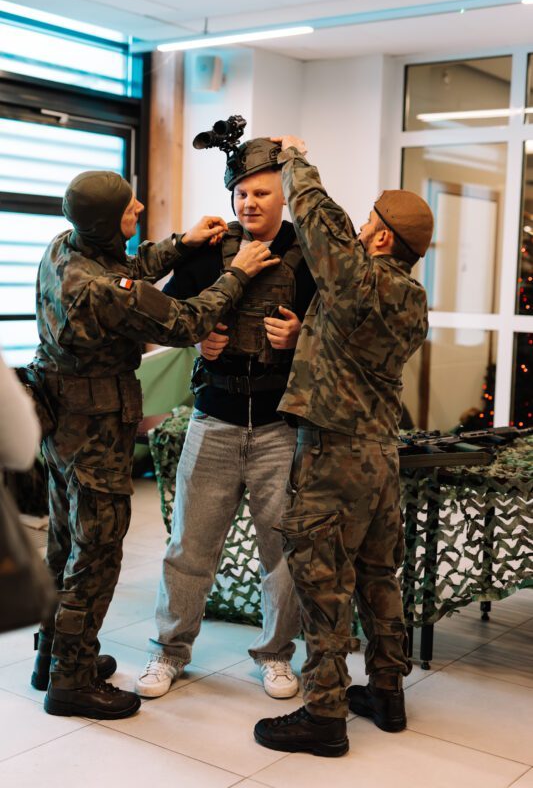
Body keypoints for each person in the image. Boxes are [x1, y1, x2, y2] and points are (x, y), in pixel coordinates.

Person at [30, 169, 279, 721]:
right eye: (128, 206)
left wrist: (181, 244)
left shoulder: (65, 247)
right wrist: (237, 273)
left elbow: (127, 270)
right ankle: (72, 682)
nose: (139, 207)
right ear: (105, 222)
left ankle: (54, 656)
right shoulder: (97, 290)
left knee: (64, 543)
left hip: (60, 424)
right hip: (94, 433)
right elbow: (186, 321)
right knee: (96, 553)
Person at [254, 137, 433, 757]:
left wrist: (295, 161)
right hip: (381, 456)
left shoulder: (358, 277)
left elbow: (316, 218)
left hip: (333, 455)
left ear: (381, 237)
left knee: (323, 581)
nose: (359, 228)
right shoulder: (412, 299)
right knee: (380, 576)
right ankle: (387, 693)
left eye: (369, 222)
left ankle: (324, 714)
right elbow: (350, 337)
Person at [135, 137, 316, 700]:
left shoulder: (310, 252)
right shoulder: (209, 250)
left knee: (281, 554)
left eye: (260, 192)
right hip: (212, 419)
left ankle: (276, 655)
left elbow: (341, 329)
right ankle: (169, 651)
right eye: (241, 193)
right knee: (189, 547)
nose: (248, 203)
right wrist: (197, 339)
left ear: (283, 195)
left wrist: (301, 336)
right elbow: (166, 317)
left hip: (280, 426)